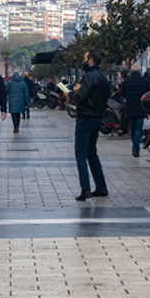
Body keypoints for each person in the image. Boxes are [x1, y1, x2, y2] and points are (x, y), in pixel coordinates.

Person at [66, 50, 111, 201]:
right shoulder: (103, 77)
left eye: (85, 58)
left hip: (85, 118)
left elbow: (80, 96)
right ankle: (101, 187)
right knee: (92, 152)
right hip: (98, 117)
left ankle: (85, 188)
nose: (83, 61)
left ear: (91, 60)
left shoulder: (89, 76)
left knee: (81, 153)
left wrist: (70, 94)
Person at [119, 63, 150, 157]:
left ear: (131, 71)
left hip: (130, 108)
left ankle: (135, 147)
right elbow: (149, 92)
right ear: (139, 71)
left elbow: (122, 94)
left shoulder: (126, 81)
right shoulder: (144, 81)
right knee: (138, 129)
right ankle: (135, 148)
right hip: (141, 108)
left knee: (132, 129)